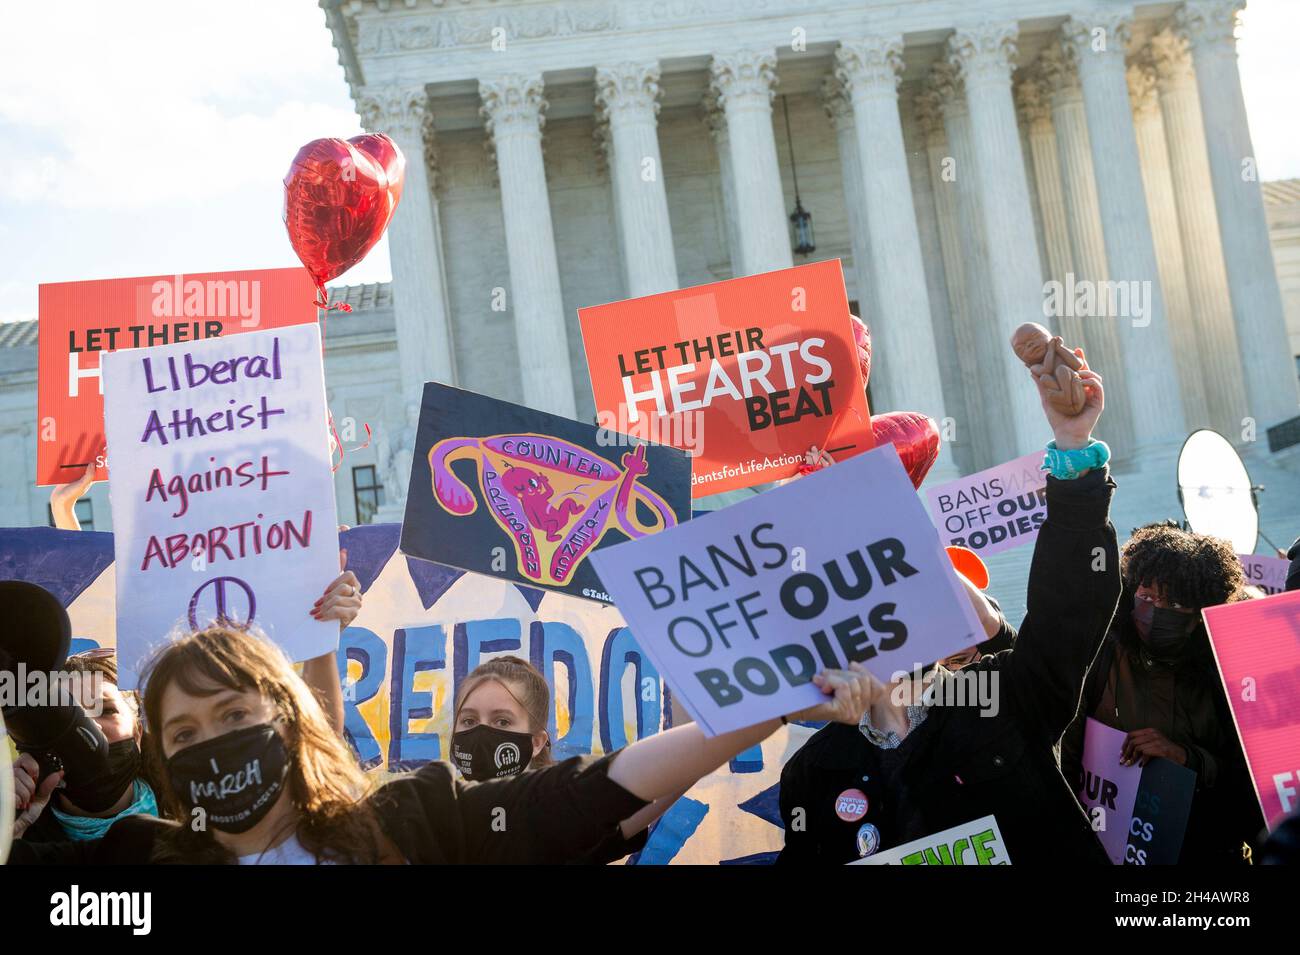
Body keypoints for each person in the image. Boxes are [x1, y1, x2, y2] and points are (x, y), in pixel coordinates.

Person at [9, 618, 874, 864]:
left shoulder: (411, 815)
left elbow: (579, 797)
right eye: (185, 732)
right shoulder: (129, 866)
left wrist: (755, 710)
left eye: (235, 716)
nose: (213, 744)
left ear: (285, 715)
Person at [778, 361, 1121, 865]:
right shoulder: (814, 773)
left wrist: (1074, 454)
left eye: (896, 598)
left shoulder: (1005, 697)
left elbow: (1070, 608)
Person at [7, 563, 362, 849]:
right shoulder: (25, 830)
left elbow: (315, 747)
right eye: (69, 713)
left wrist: (321, 636)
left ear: (142, 730)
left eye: (106, 709)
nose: (91, 726)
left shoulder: (199, 808)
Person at [1060, 521, 1266, 864]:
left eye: (1174, 604)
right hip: (1106, 847)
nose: (1156, 610)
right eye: (1147, 596)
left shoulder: (1230, 669)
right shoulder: (1100, 654)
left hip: (1207, 850)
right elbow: (1061, 749)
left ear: (1201, 612)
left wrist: (1186, 759)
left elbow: (1254, 784)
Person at [450, 654, 685, 863]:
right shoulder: (430, 805)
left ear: (536, 742)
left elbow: (669, 775)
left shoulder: (563, 808)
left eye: (502, 721)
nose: (481, 734)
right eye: (469, 721)